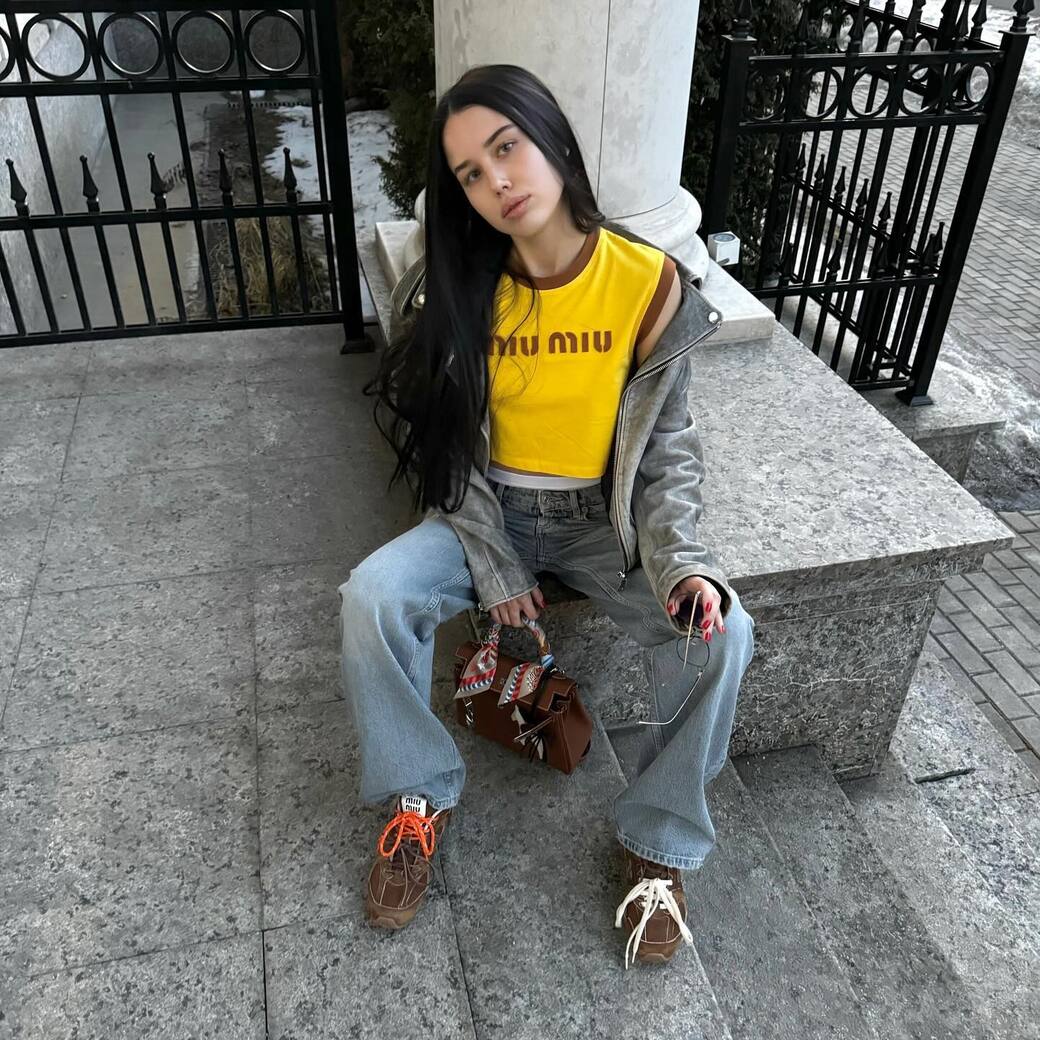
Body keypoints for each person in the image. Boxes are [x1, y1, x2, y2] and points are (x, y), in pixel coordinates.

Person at [339, 63, 755, 969]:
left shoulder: (645, 283)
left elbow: (668, 451)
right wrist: (495, 567)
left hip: (604, 525)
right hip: (484, 513)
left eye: (506, 148)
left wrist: (683, 564)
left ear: (554, 141)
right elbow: (451, 452)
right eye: (470, 174)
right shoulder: (459, 286)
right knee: (373, 596)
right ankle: (417, 797)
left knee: (724, 636)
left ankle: (659, 843)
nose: (496, 182)